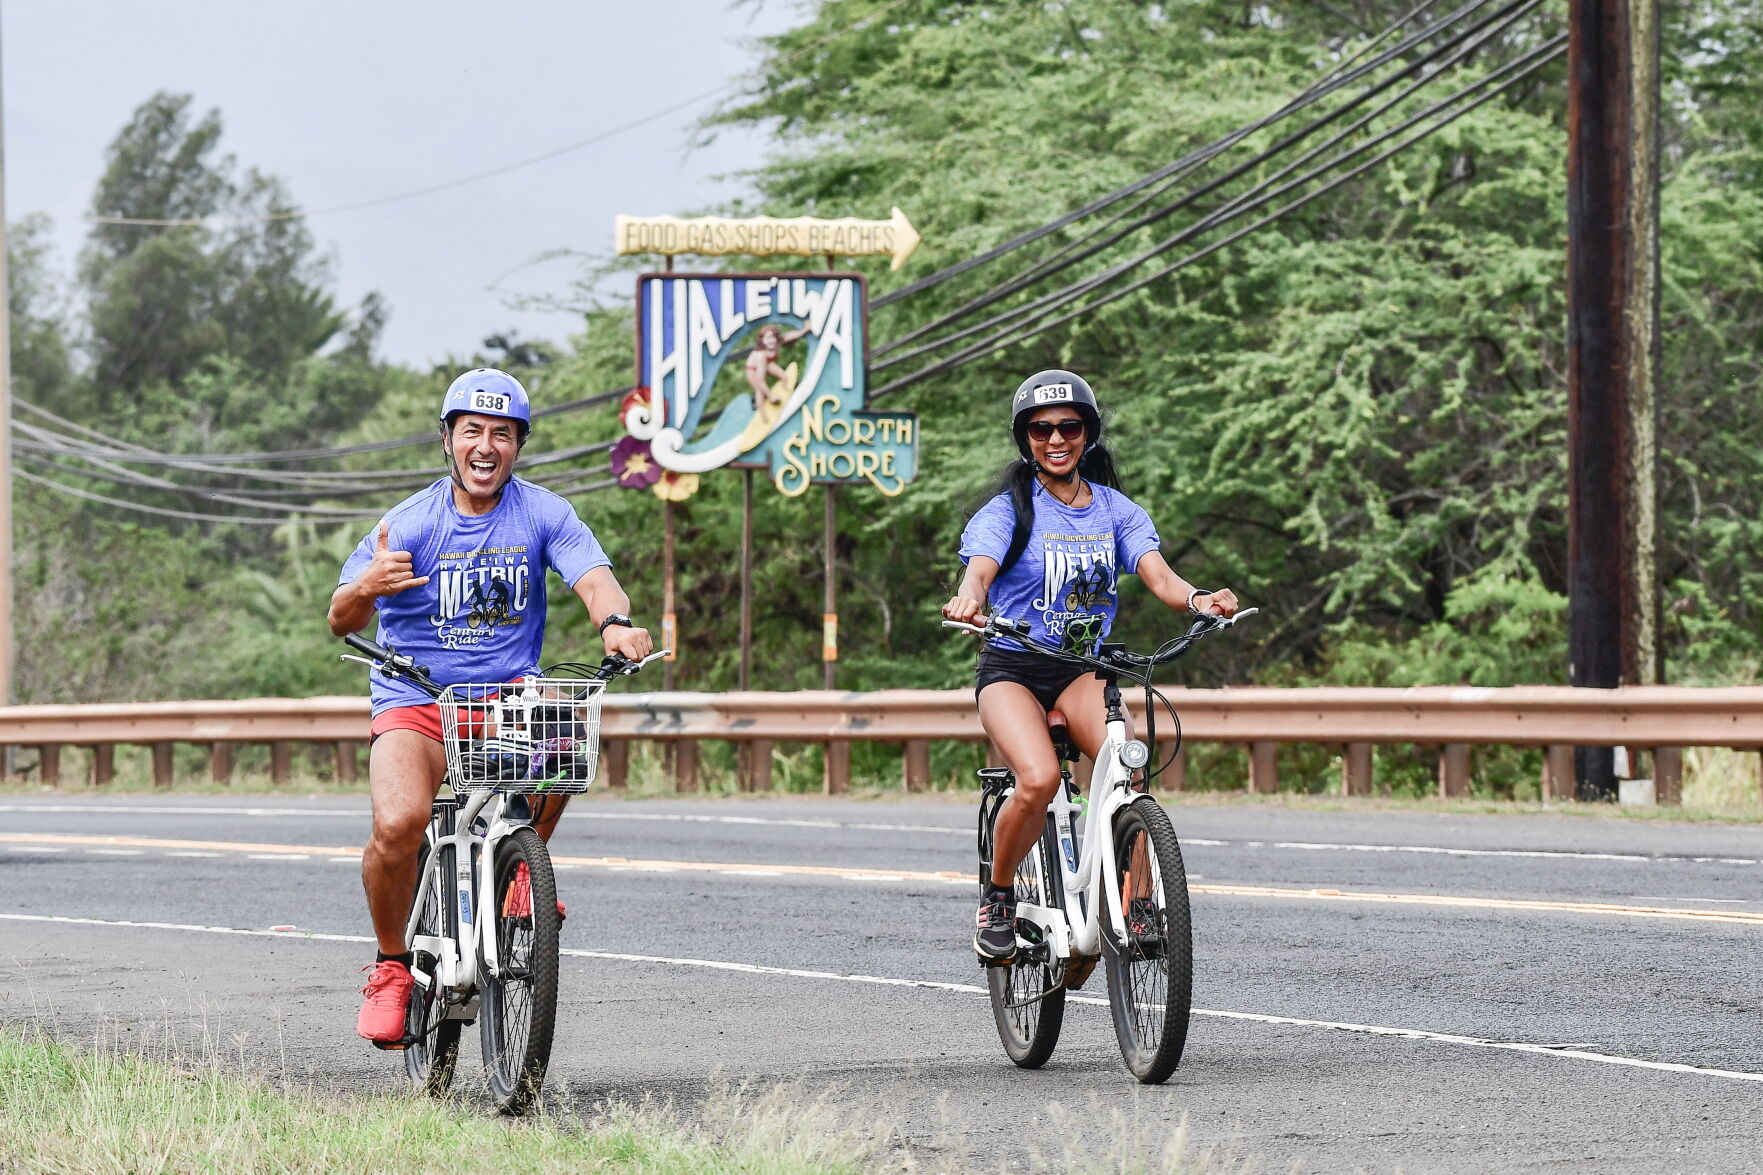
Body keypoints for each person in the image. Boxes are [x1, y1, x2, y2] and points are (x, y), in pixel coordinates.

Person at [328, 367, 653, 1044]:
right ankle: (392, 965)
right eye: (471, 430)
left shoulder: (543, 512)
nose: (485, 445)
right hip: (416, 698)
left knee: (565, 733)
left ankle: (515, 879)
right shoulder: (408, 522)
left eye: (500, 434)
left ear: (517, 446)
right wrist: (366, 586)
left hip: (504, 699)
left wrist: (615, 624)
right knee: (399, 823)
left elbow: (592, 577)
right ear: (446, 440)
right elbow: (339, 617)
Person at [941, 369, 1239, 962]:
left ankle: (1137, 905)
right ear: (1025, 438)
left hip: (1081, 669)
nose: (1056, 439)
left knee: (1126, 771)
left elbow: (1159, 576)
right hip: (1014, 668)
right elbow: (979, 568)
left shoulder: (1116, 511)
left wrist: (1199, 600)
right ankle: (998, 897)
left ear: (1089, 435)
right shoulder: (1008, 510)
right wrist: (970, 595)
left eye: (1069, 427)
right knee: (1040, 779)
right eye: (1041, 429)